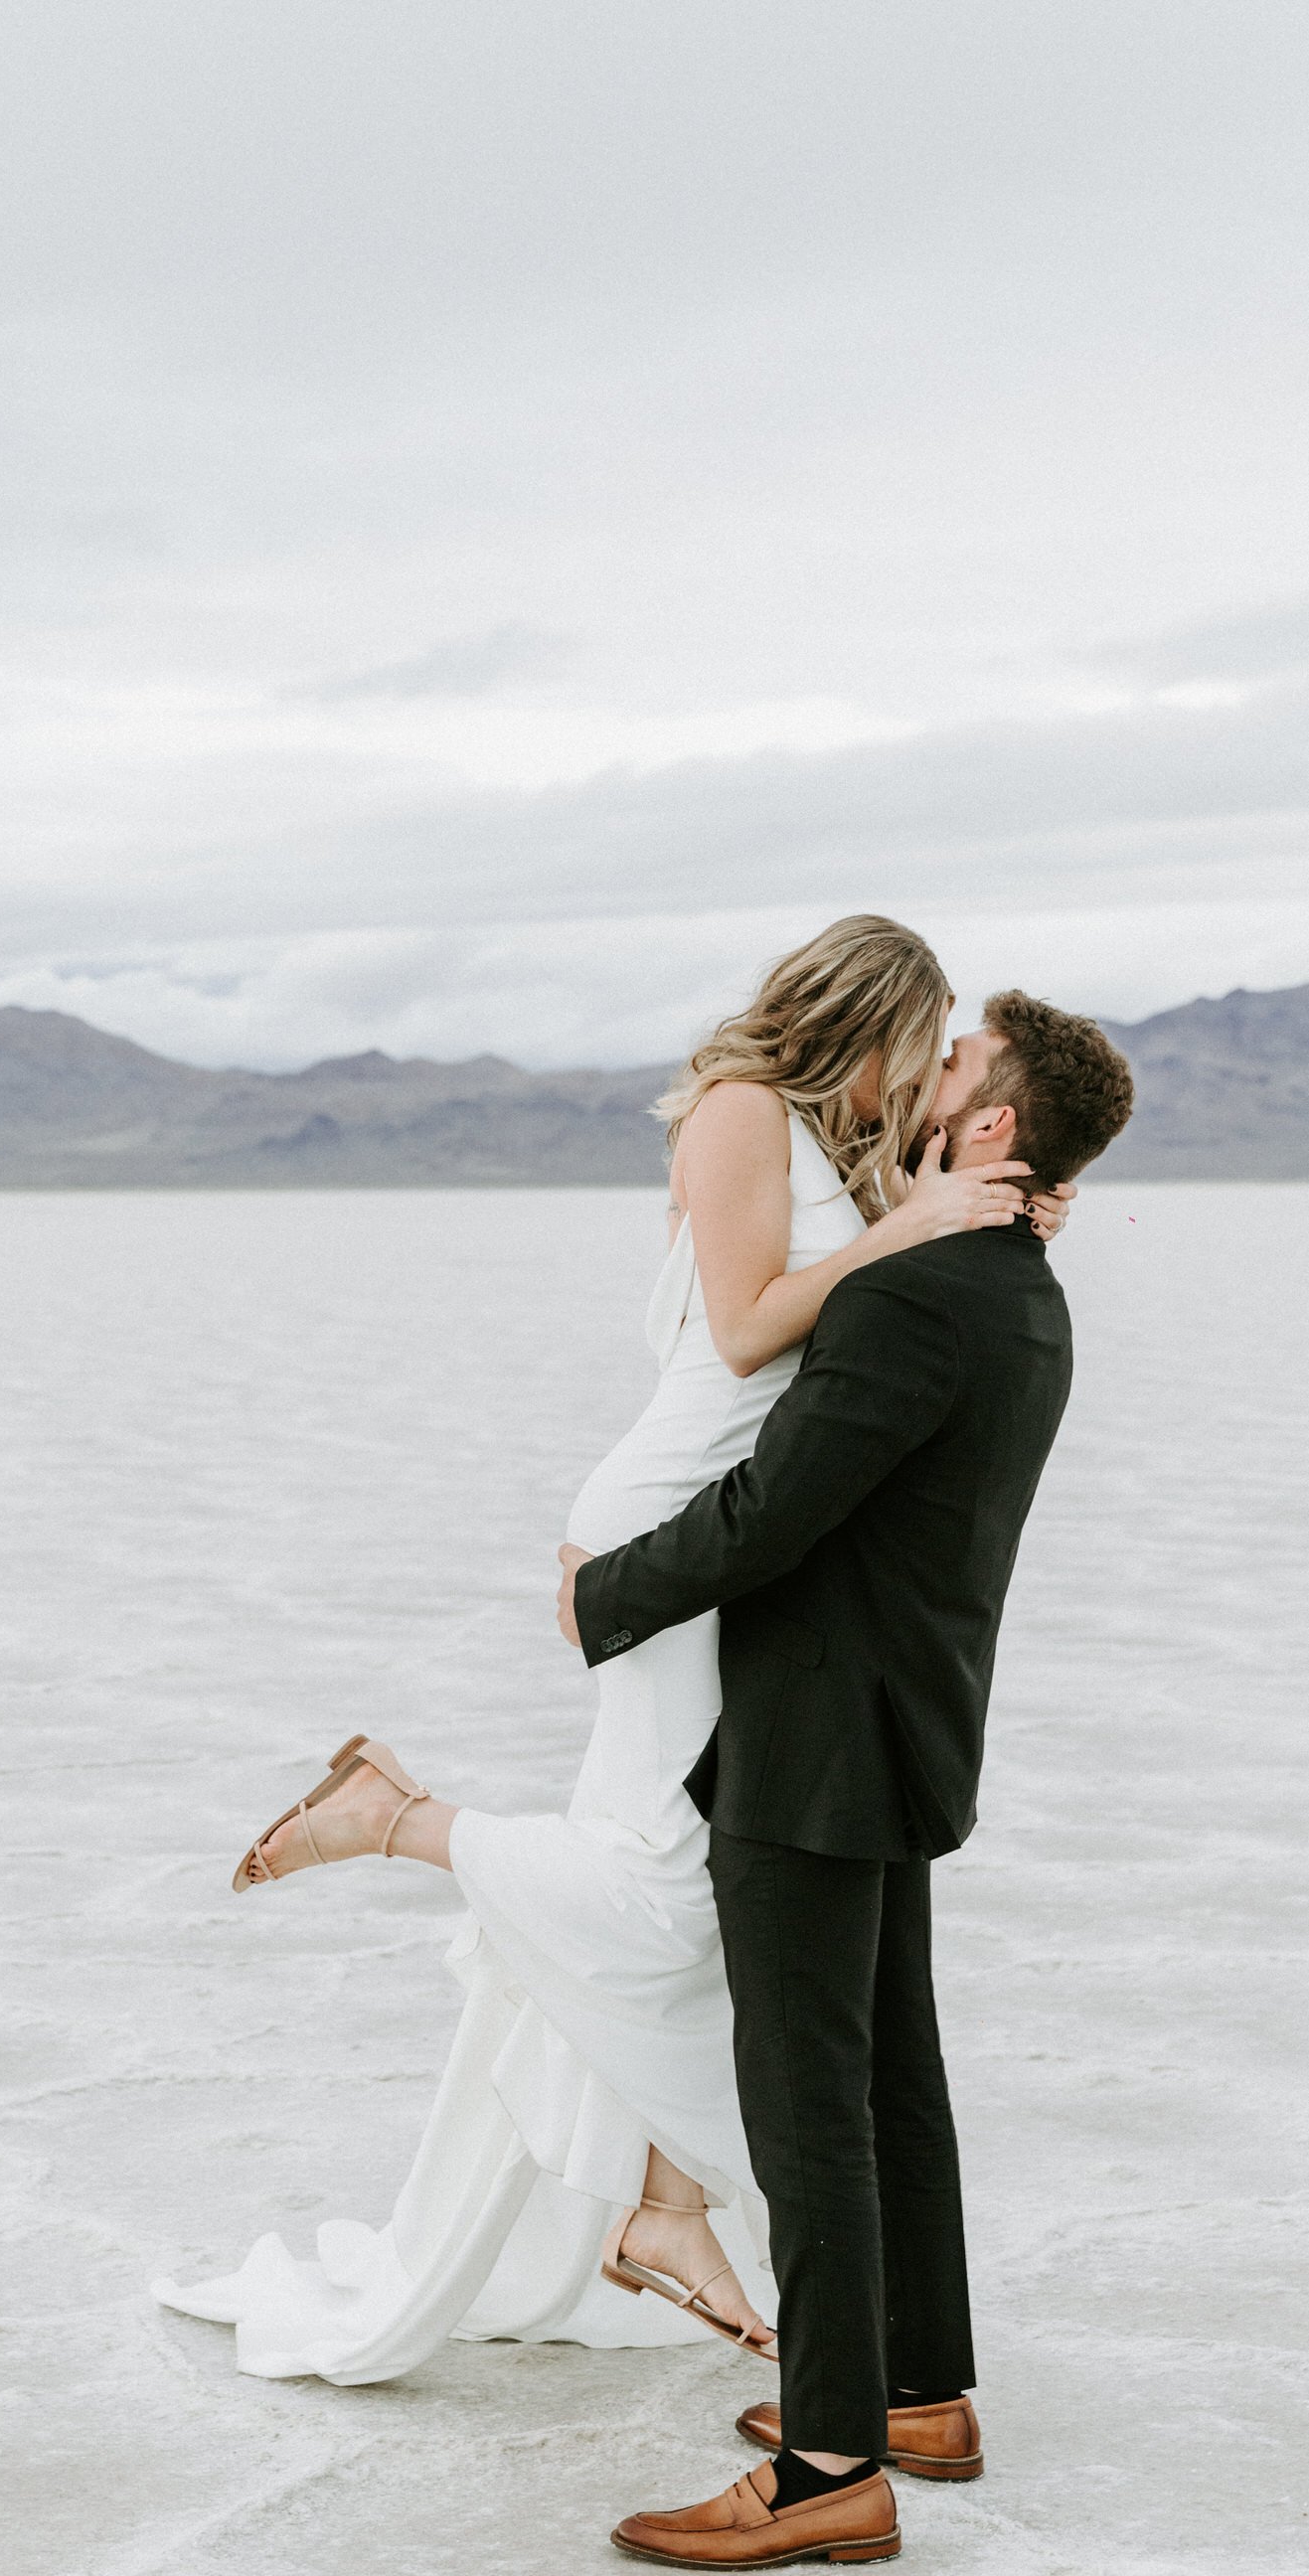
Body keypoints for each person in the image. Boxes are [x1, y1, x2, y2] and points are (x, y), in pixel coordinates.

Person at [154, 917, 1070, 2386]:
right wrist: (909, 1228)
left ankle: (664, 2207)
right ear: (871, 1015)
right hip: (669, 1529)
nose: (929, 1067)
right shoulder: (737, 1112)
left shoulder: (847, 1150)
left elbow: (921, 1247)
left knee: (706, 1889)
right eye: (928, 1034)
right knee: (664, 1886)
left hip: (725, 1538)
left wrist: (990, 1209)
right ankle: (397, 1820)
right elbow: (748, 1326)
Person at [556, 988, 1134, 2568]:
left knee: (808, 2102)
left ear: (994, 1124)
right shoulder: (1017, 1287)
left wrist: (601, 1594)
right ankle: (918, 2392)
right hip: (909, 1724)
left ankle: (827, 2472)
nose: (926, 1080)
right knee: (890, 2077)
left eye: (953, 1068)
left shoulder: (920, 1294)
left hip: (816, 1743)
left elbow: (773, 1513)